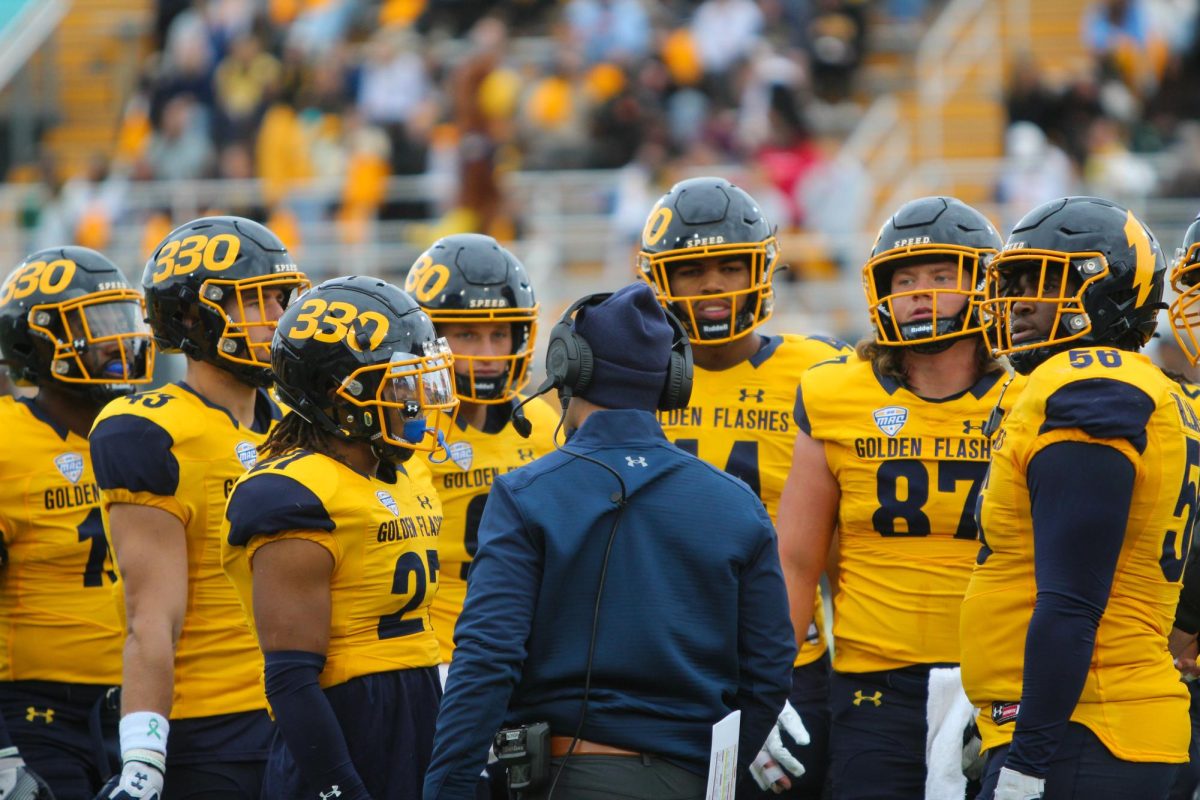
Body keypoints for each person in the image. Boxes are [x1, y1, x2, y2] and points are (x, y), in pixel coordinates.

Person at [423, 282, 795, 800]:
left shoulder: (526, 493)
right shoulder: (736, 502)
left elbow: (488, 658)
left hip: (568, 775)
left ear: (569, 366)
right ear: (672, 380)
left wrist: (447, 788)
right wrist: (713, 772)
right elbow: (771, 670)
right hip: (694, 779)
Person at [773, 196, 1012, 798]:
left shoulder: (1030, 394)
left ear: (986, 284)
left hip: (1001, 678)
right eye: (905, 279)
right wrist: (769, 683)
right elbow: (797, 560)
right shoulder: (834, 393)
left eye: (941, 275)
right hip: (875, 679)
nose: (920, 294)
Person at [961, 196, 1193, 798]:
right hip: (1087, 721)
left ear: (1106, 289)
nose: (1017, 301)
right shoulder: (1146, 389)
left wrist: (1029, 757)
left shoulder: (1094, 388)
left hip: (1085, 729)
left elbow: (1070, 601)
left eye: (1040, 281)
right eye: (1010, 281)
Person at [639, 175, 847, 797]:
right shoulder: (632, 375)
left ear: (761, 267)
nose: (712, 285)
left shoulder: (823, 370)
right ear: (659, 280)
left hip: (790, 654)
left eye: (731, 266)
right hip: (660, 660)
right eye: (694, 269)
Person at [88, 216, 310, 800]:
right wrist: (143, 759)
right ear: (192, 316)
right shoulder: (152, 429)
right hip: (213, 729)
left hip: (305, 717)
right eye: (256, 301)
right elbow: (151, 618)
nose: (279, 317)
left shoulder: (300, 424)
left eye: (283, 298)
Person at [221, 276, 459, 799]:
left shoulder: (404, 470)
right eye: (398, 383)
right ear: (337, 392)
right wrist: (341, 788)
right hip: (348, 725)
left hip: (420, 703)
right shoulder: (291, 491)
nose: (415, 398)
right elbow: (290, 679)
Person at [0, 247, 155, 798]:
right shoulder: (8, 441)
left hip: (142, 705)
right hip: (35, 714)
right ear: (35, 341)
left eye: (121, 320)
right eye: (93, 326)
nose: (118, 341)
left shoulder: (147, 427)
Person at [405, 233, 558, 674]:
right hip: (438, 648)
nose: (489, 355)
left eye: (499, 334)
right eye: (468, 334)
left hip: (528, 642)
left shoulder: (544, 423)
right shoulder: (410, 430)